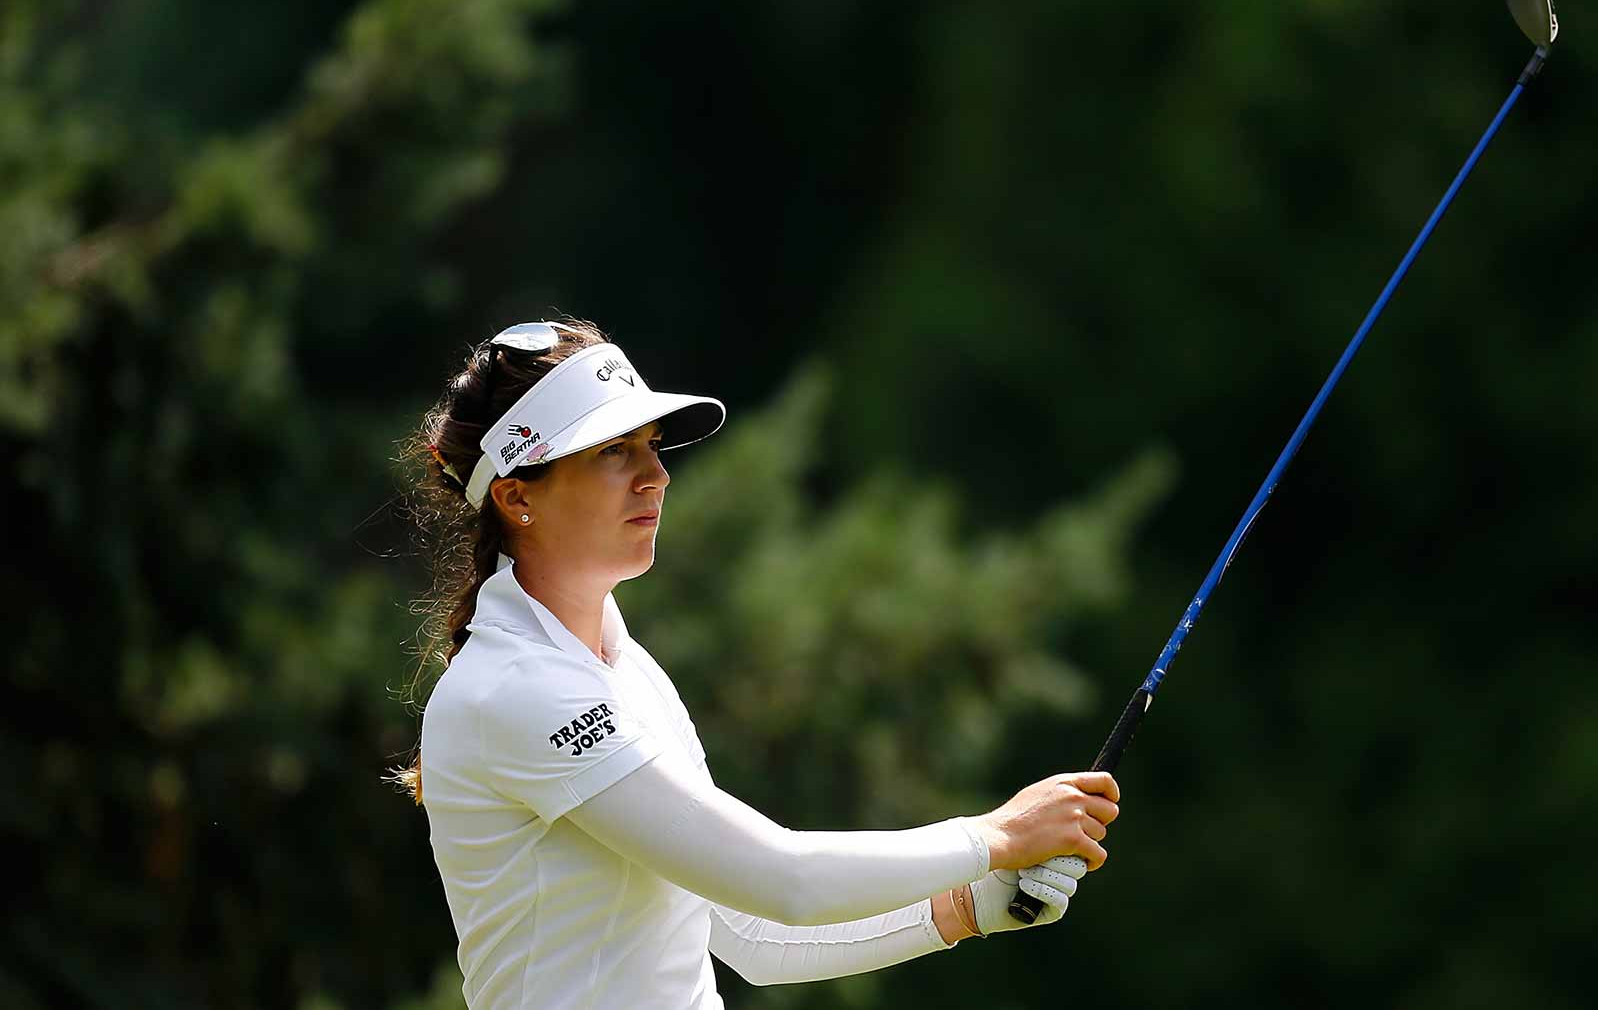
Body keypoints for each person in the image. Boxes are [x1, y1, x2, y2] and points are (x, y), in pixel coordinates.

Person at [393, 318, 1120, 1009]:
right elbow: (782, 878)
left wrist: (969, 904)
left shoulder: (625, 668)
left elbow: (751, 932)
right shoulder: (516, 686)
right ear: (519, 495)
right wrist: (992, 836)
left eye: (652, 445)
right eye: (614, 451)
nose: (656, 476)